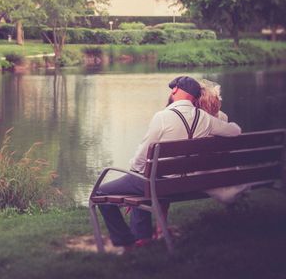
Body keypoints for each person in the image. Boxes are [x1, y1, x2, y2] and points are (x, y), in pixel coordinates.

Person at [96, 75, 242, 249]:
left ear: (175, 90)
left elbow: (143, 155)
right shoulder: (204, 118)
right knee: (143, 186)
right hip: (184, 183)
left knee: (101, 192)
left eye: (174, 88)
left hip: (160, 183)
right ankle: (142, 237)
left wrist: (134, 171)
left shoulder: (163, 117)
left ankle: (125, 240)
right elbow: (235, 131)